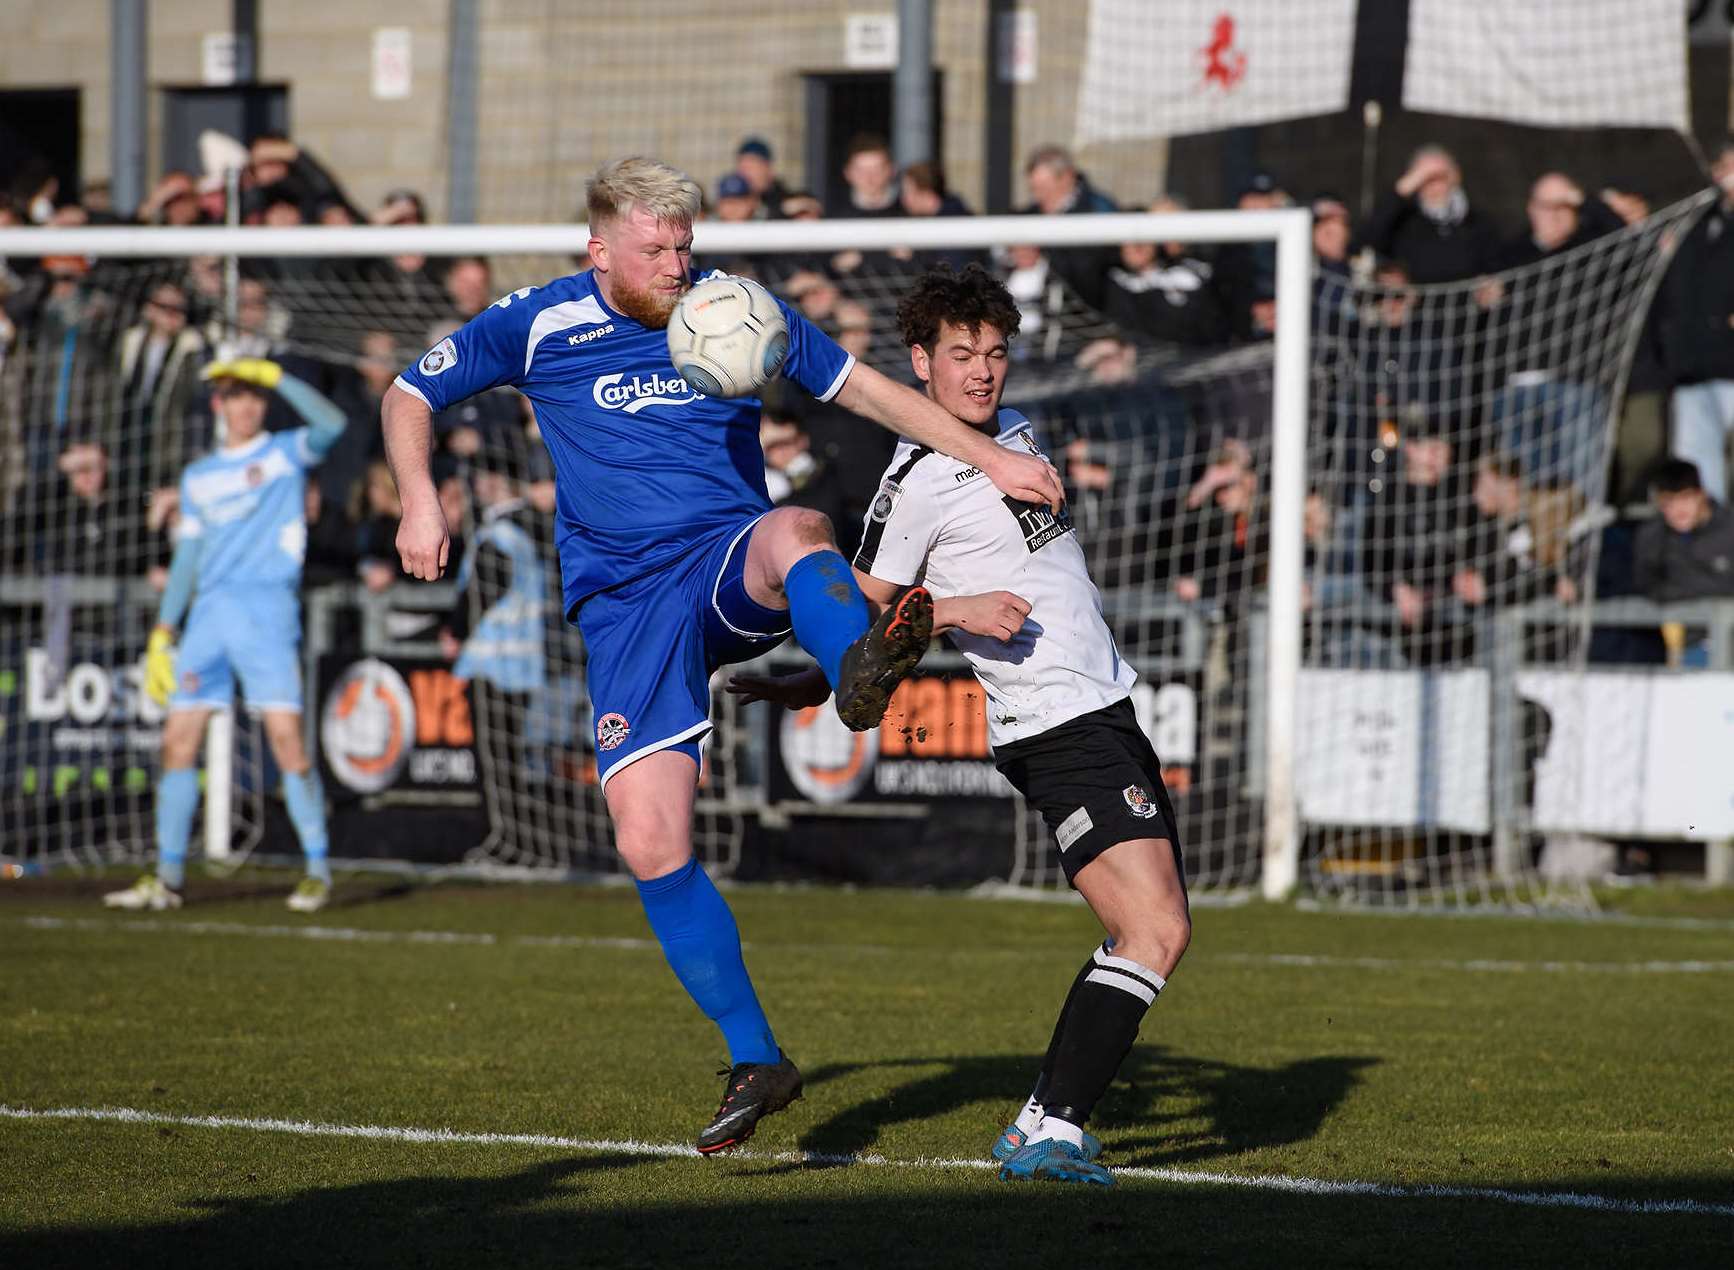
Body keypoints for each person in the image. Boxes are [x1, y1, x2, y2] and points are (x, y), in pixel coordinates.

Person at [380, 157, 1064, 1153]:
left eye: (684, 245)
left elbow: (867, 391)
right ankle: (757, 1055)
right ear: (599, 247)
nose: (674, 262)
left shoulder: (739, 307)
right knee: (649, 842)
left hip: (723, 563)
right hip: (622, 609)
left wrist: (992, 455)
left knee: (795, 527)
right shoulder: (535, 322)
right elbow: (408, 394)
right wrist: (417, 493)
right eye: (655, 247)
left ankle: (857, 667)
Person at [730, 263, 1187, 1188]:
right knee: (1154, 931)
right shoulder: (919, 480)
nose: (981, 371)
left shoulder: (1011, 437)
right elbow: (868, 618)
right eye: (961, 355)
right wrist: (950, 611)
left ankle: (1038, 1120)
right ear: (921, 364)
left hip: (1103, 705)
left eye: (994, 353)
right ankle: (1054, 1126)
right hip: (1055, 724)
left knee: (1150, 930)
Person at [103, 358, 349, 915]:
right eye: (236, 396)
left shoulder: (284, 454)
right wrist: (164, 630)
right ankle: (166, 877)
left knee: (288, 746)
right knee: (177, 744)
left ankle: (317, 871)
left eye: (253, 396)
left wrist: (274, 374)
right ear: (219, 405)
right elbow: (188, 557)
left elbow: (334, 425)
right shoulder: (199, 477)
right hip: (208, 621)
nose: (247, 406)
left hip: (267, 617)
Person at [1657, 139, 1734, 502]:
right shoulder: (1696, 222)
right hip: (1692, 365)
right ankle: (1708, 546)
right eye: (1724, 168)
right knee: (1696, 463)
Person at [1356, 145, 1501, 285]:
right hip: (1417, 308)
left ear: (1455, 176)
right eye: (1425, 178)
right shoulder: (1402, 222)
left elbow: (1495, 270)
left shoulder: (1480, 224)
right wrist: (1401, 190)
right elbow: (1364, 239)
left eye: (1441, 176)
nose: (1434, 186)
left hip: (1465, 308)